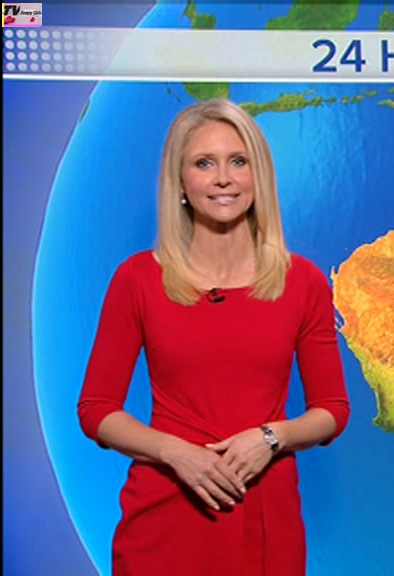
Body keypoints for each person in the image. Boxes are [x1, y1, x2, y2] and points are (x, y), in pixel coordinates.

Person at [77, 99, 351, 575]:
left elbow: (332, 410)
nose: (223, 178)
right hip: (165, 516)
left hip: (264, 513)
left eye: (238, 162)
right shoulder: (138, 280)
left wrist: (272, 438)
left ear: (258, 176)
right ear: (181, 183)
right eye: (204, 164)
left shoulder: (302, 283)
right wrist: (175, 453)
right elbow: (97, 410)